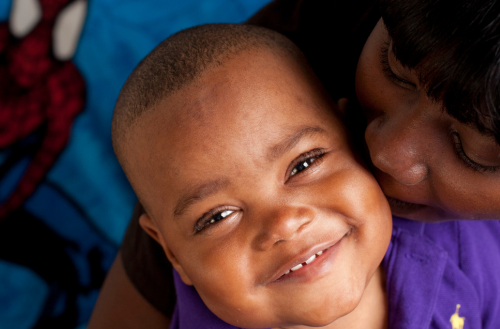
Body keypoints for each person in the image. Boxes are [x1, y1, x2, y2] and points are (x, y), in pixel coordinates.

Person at [88, 0, 500, 328]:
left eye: (471, 153)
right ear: (173, 255)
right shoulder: (242, 89)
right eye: (395, 69)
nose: (383, 153)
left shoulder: (460, 248)